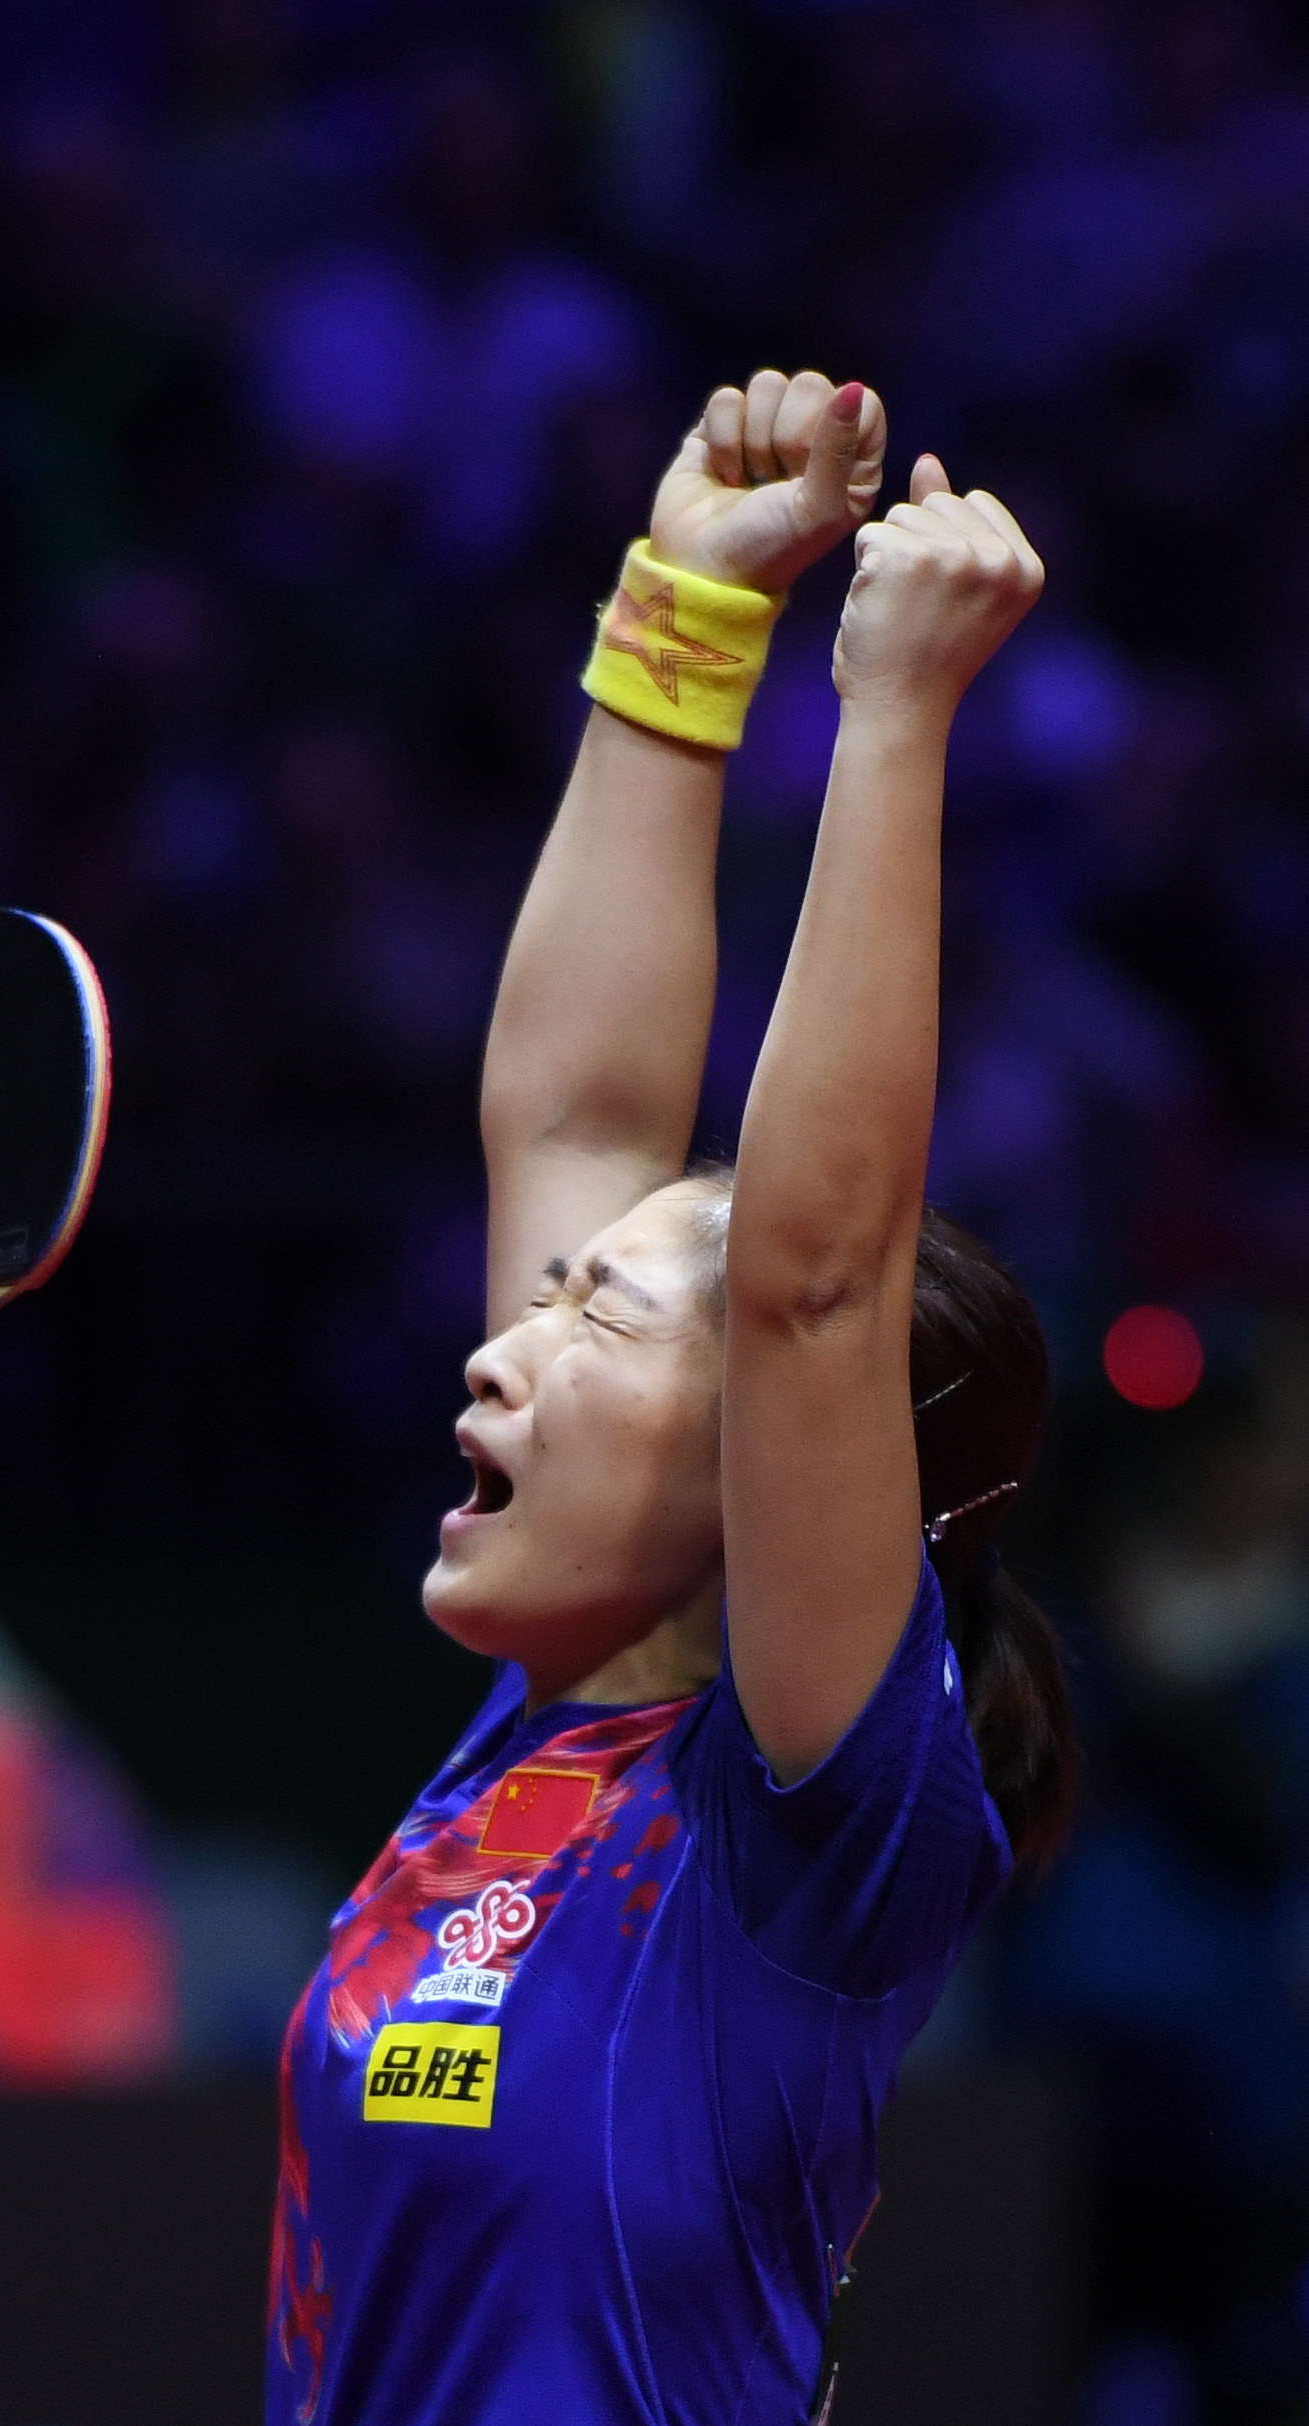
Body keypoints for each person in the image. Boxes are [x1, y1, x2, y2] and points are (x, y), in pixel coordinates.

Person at [267, 367, 1075, 2426]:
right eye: (546, 1301)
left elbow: (811, 1286)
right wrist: (686, 616)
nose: (498, 1347)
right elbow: (571, 1109)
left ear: (767, 1472)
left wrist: (891, 716)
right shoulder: (528, 1747)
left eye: (598, 1320)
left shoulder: (812, 1839)